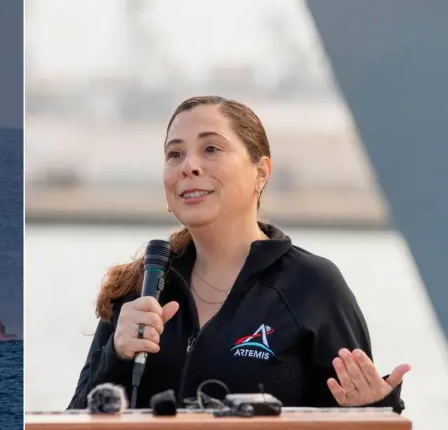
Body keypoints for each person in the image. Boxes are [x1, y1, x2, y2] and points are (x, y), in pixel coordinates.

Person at [67, 95, 410, 412]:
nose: (189, 166)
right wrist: (115, 356)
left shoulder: (312, 285)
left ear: (260, 173)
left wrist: (373, 406)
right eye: (175, 154)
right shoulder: (140, 288)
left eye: (211, 149)